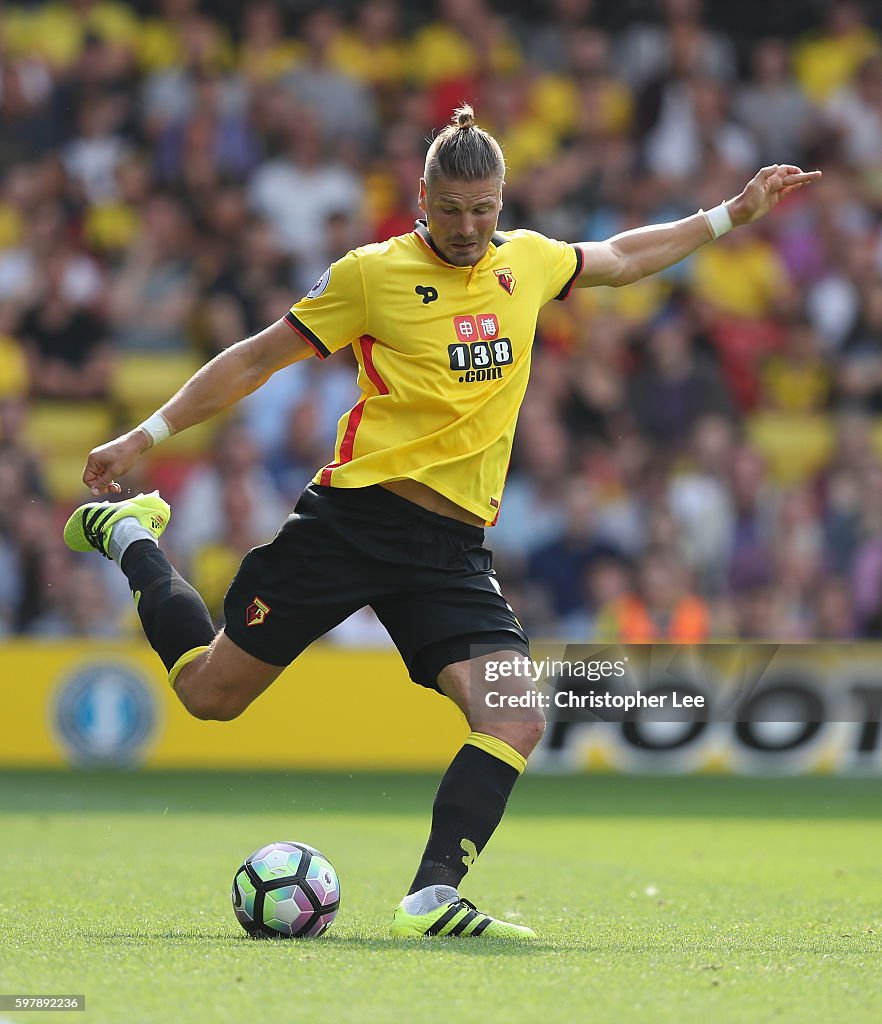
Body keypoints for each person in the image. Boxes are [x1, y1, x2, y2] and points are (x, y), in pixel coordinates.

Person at [64, 105, 820, 939]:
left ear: (503, 199)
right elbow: (253, 359)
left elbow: (623, 258)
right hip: (353, 521)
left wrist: (727, 215)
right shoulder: (370, 274)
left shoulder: (527, 262)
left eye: (484, 207)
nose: (468, 226)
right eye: (452, 207)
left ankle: (431, 896)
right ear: (421, 197)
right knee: (209, 697)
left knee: (516, 715)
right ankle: (131, 536)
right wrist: (146, 435)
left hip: (451, 549)